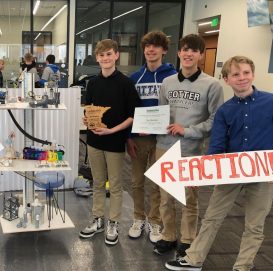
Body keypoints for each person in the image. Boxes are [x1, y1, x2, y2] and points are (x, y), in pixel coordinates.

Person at [165, 55, 273, 271]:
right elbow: (217, 146)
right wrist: (206, 173)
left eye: (246, 73)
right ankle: (195, 257)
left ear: (253, 74)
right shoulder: (225, 111)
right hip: (230, 170)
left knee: (255, 223)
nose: (242, 78)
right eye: (236, 75)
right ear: (227, 80)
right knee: (212, 217)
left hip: (264, 169)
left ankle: (243, 268)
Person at [153, 34, 224, 257]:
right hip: (164, 147)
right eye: (184, 49)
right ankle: (168, 235)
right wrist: (152, 124)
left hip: (191, 149)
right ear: (178, 53)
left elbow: (216, 120)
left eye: (193, 50)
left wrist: (188, 130)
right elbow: (161, 114)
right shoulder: (167, 82)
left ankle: (187, 238)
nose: (188, 54)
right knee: (165, 197)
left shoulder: (212, 84)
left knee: (189, 198)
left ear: (201, 55)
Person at [78, 39, 141, 246]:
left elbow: (134, 115)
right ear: (97, 58)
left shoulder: (126, 83)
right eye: (101, 55)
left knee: (114, 185)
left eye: (109, 54)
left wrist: (112, 130)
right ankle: (97, 219)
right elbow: (89, 109)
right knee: (97, 182)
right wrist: (87, 119)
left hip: (115, 142)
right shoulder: (93, 83)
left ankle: (113, 222)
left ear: (116, 56)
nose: (105, 58)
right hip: (94, 141)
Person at [127, 31, 177, 243]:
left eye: (156, 46)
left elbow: (177, 109)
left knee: (157, 183)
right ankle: (138, 218)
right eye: (147, 46)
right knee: (137, 181)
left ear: (164, 50)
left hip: (163, 139)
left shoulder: (173, 77)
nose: (151, 49)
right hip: (139, 138)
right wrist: (128, 137)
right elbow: (129, 109)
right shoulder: (135, 78)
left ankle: (154, 221)